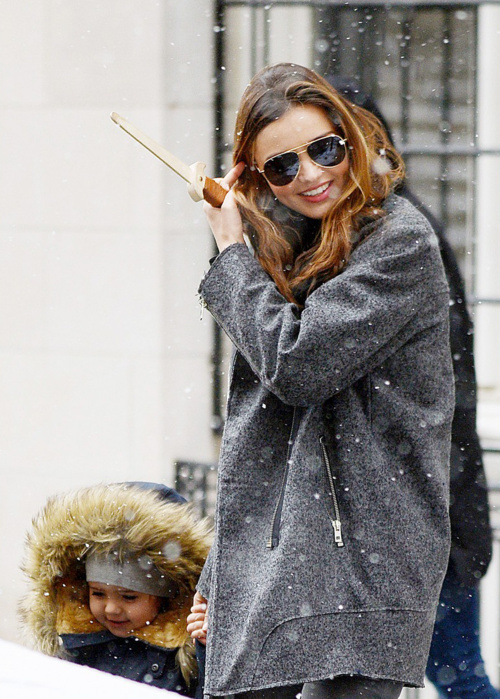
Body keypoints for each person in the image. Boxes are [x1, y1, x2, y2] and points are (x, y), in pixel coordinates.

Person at [189, 62, 455, 699]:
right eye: (282, 166)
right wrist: (219, 574)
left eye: (324, 150)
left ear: (349, 138)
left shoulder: (399, 242)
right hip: (283, 555)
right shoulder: (286, 247)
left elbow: (297, 367)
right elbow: (261, 437)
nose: (309, 175)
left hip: (368, 559)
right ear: (257, 178)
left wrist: (232, 254)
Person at [327, 76, 498, 699]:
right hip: (414, 504)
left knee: (457, 678)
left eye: (332, 147)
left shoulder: (398, 233)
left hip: (427, 504)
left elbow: (440, 389)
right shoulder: (360, 230)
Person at [19, 481, 212, 697]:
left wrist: (205, 650)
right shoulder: (73, 644)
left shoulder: (187, 657)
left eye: (128, 597)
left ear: (168, 597)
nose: (111, 608)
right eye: (98, 593)